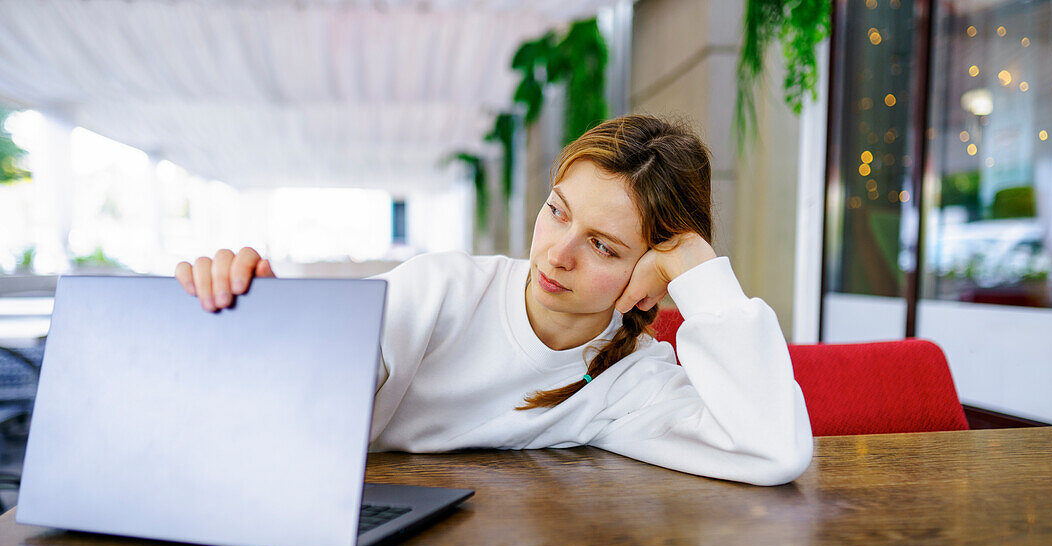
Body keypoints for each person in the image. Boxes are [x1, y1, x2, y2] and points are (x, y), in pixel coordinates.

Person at [175, 115, 813, 485]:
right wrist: (260, 320)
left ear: (651, 268)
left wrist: (699, 271)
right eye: (556, 212)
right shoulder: (443, 290)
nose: (557, 253)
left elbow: (774, 450)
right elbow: (293, 397)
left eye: (604, 247)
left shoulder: (626, 380)